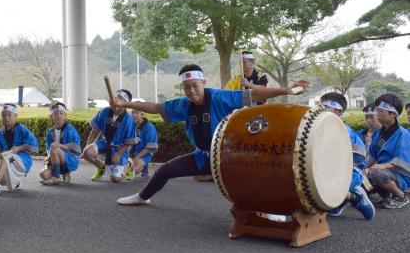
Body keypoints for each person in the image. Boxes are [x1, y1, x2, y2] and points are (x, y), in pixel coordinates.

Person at [115, 64, 309, 206]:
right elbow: (156, 107)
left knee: (255, 181)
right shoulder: (184, 104)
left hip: (229, 156)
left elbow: (255, 96)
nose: (191, 90)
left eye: (195, 85)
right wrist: (125, 105)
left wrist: (287, 90)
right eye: (187, 86)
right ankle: (143, 197)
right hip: (203, 156)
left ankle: (272, 209)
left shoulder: (219, 97)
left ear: (203, 82)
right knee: (166, 170)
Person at [319, 93, 374, 220]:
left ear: (338, 111)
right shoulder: (323, 127)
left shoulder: (344, 130)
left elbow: (350, 161)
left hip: (350, 174)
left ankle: (355, 196)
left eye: (325, 108)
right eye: (320, 107)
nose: (320, 110)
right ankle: (339, 201)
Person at [0, 103, 38, 195]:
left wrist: (19, 148)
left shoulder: (23, 130)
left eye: (9, 115)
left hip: (22, 161)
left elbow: (34, 148)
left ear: (16, 116)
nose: (6, 118)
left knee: (5, 156)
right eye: (3, 115)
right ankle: (15, 181)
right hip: (8, 161)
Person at [81, 89, 137, 183]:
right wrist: (88, 145)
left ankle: (128, 163)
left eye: (120, 98)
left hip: (119, 148)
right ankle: (101, 167)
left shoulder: (129, 120)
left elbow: (129, 141)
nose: (115, 99)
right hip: (104, 142)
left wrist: (118, 154)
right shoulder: (104, 112)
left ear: (126, 104)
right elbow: (95, 130)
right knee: (87, 152)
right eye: (115, 97)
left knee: (115, 179)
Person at [366, 93, 410, 209]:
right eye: (377, 110)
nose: (377, 114)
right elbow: (372, 156)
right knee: (361, 178)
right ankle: (387, 195)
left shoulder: (402, 134)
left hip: (401, 175)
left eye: (381, 111)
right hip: (384, 171)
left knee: (377, 173)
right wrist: (360, 168)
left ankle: (401, 196)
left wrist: (380, 166)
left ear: (393, 114)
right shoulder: (378, 132)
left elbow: (401, 162)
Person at [40, 102, 81, 185]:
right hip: (55, 158)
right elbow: (49, 149)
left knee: (54, 146)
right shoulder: (50, 132)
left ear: (65, 115)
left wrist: (58, 146)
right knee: (43, 174)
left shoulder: (70, 129)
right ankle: (58, 174)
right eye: (55, 114)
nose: (58, 116)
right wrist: (48, 158)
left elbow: (76, 150)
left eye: (61, 113)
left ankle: (58, 176)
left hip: (70, 159)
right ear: (51, 116)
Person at [125, 109, 159, 180]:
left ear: (142, 115)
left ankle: (143, 166)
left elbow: (150, 147)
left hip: (145, 153)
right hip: (131, 152)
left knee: (129, 172)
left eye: (137, 113)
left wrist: (136, 157)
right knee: (121, 171)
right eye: (133, 113)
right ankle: (143, 167)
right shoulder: (131, 125)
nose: (134, 115)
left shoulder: (149, 127)